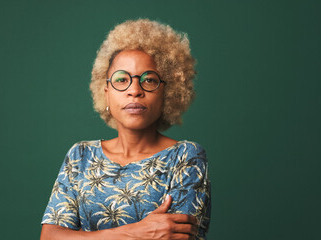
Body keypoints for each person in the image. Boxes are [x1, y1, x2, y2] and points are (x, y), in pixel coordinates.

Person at [40, 19, 211, 240]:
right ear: (106, 92)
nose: (134, 90)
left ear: (168, 94)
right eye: (122, 80)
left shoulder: (186, 157)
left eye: (149, 80)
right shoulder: (80, 156)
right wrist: (137, 232)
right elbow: (49, 237)